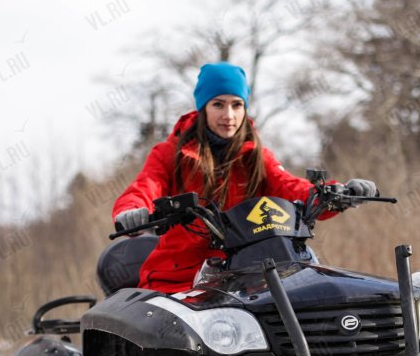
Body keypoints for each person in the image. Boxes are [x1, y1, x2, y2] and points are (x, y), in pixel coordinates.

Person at [112, 62, 377, 293]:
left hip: (246, 274)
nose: (228, 115)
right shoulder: (170, 153)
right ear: (203, 108)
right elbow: (146, 185)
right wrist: (134, 210)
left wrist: (337, 194)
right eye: (218, 105)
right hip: (178, 278)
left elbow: (291, 187)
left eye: (236, 105)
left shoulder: (256, 156)